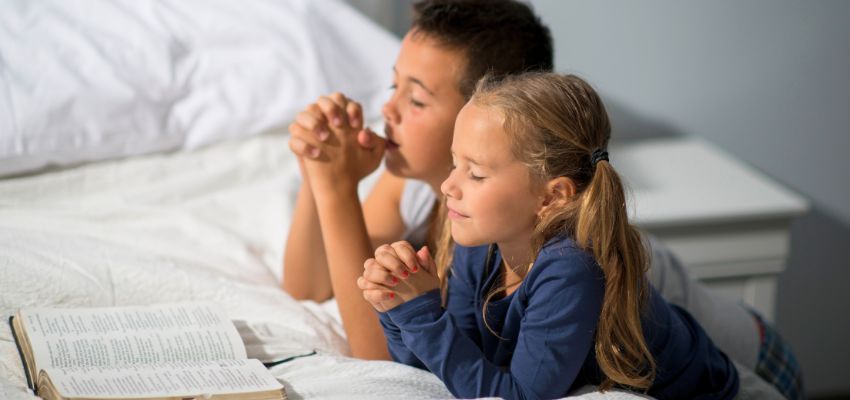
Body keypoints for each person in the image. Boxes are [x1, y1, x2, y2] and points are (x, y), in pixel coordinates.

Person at [283, 1, 801, 398]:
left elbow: (384, 351)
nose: (386, 109)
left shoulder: (574, 258)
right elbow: (316, 286)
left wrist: (338, 192)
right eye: (393, 86)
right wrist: (324, 177)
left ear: (494, 110)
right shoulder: (463, 212)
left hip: (745, 356)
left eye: (416, 98)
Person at [358, 72, 741, 399]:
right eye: (454, 164)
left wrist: (422, 317)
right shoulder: (478, 242)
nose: (448, 185)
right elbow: (458, 366)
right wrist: (399, 308)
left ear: (552, 196)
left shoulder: (570, 269)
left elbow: (519, 396)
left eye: (475, 173)